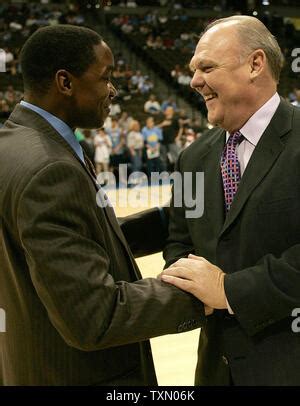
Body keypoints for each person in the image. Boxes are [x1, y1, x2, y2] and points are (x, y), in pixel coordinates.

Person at [0, 25, 207, 386]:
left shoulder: (15, 142)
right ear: (65, 82)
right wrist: (206, 292)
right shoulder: (51, 169)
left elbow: (69, 243)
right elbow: (97, 316)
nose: (113, 89)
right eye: (105, 77)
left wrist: (167, 220)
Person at [160, 15, 300, 385]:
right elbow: (179, 243)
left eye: (206, 66)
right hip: (215, 371)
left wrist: (228, 291)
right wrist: (193, 285)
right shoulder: (191, 158)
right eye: (193, 69)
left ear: (256, 64)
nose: (194, 80)